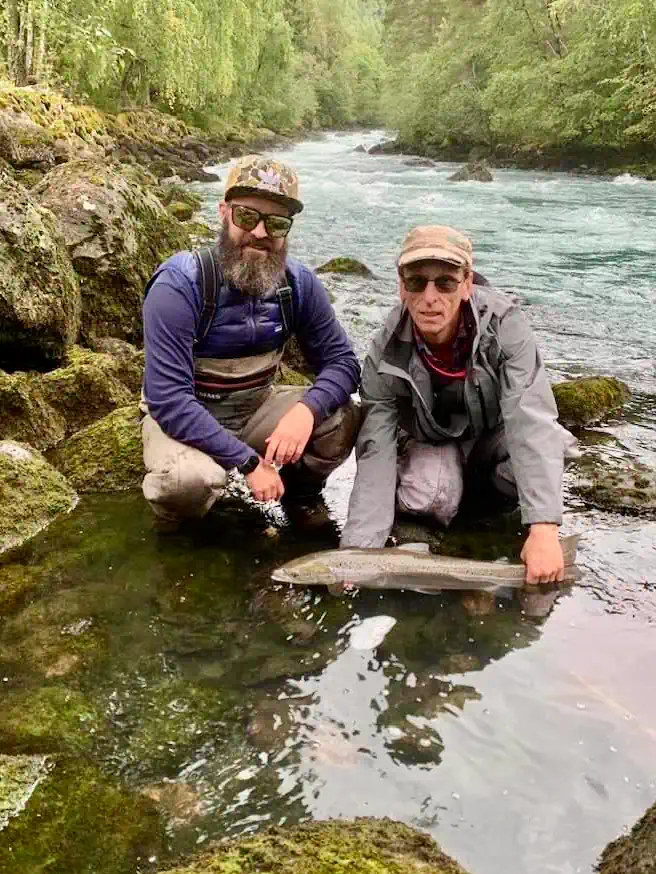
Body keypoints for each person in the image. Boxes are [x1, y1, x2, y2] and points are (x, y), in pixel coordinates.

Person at [340, 225, 579, 584]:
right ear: (402, 286)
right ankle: (456, 491)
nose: (430, 297)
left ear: (467, 284)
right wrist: (357, 554)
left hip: (491, 436)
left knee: (555, 447)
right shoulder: (385, 348)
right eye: (417, 282)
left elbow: (529, 416)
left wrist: (543, 529)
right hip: (432, 444)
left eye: (446, 282)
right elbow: (376, 447)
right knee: (428, 498)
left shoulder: (506, 325)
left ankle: (485, 496)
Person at [141, 154, 361, 525]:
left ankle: (298, 496)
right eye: (247, 216)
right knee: (187, 482)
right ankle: (184, 528)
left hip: (255, 408)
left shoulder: (298, 285)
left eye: (276, 223)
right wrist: (247, 463)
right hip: (185, 416)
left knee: (341, 418)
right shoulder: (179, 285)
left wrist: (306, 411)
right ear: (224, 212)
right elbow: (169, 399)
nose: (260, 233)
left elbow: (344, 363)